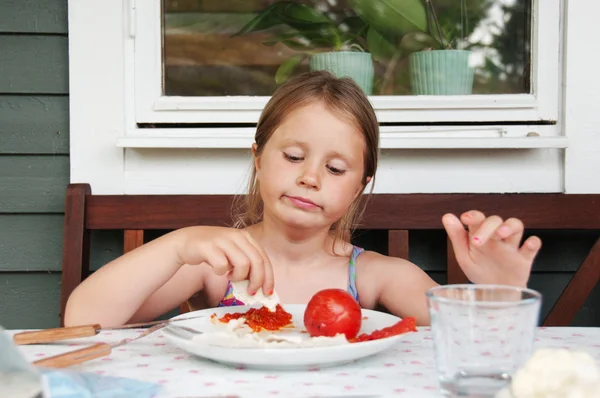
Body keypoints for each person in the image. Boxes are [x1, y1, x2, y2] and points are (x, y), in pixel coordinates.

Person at [64, 71, 542, 328]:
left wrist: (500, 296)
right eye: (293, 156)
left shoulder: (375, 276)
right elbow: (83, 319)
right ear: (258, 157)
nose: (310, 177)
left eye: (335, 169)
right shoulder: (216, 265)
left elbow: (476, 340)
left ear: (360, 184)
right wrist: (177, 244)